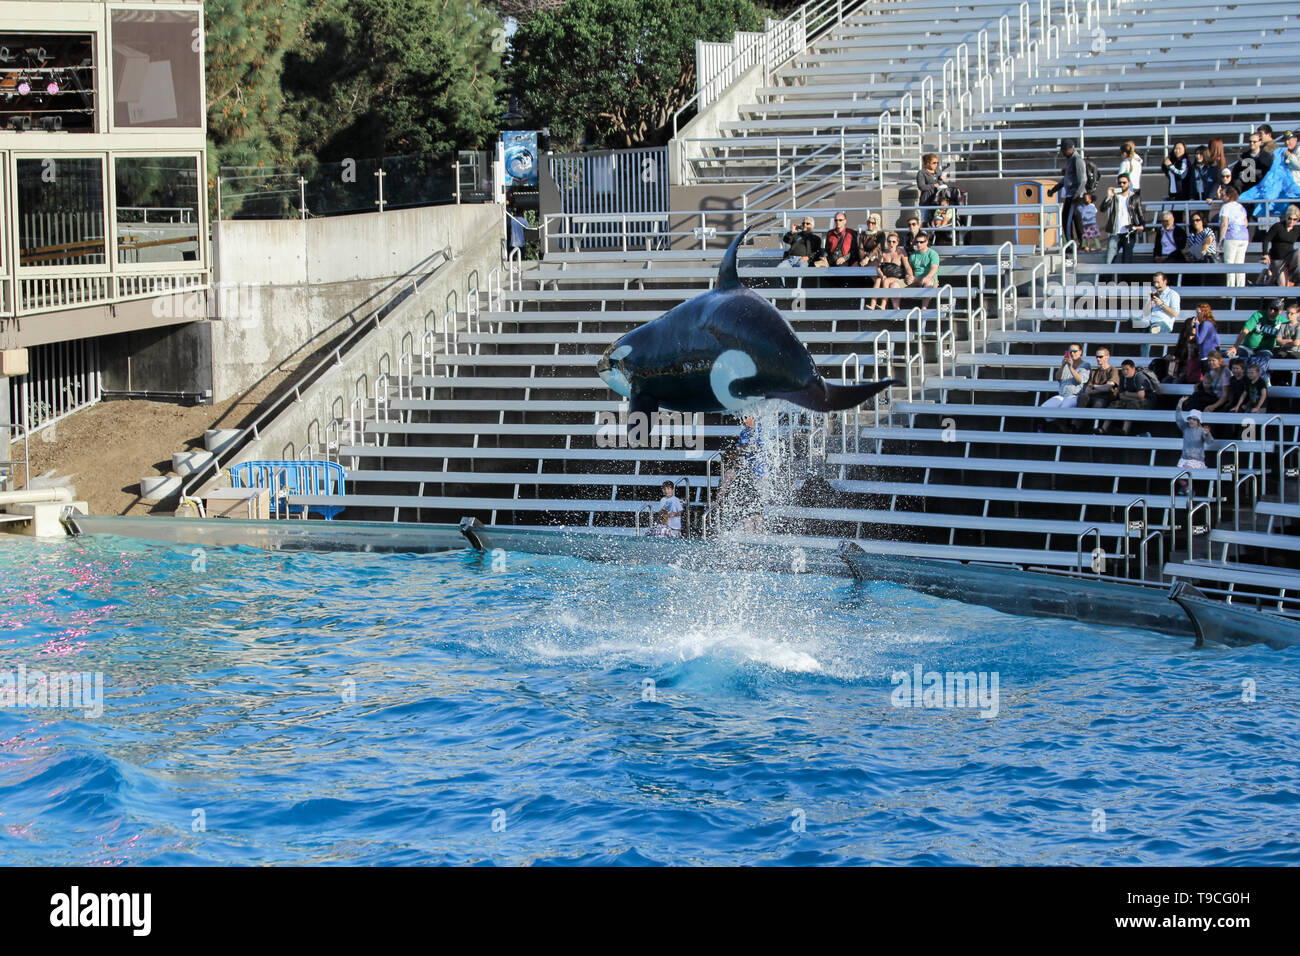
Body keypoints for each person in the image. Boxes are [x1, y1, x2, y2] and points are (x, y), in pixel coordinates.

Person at [1036, 344, 1090, 431]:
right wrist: (1062, 366)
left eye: (1075, 351)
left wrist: (1071, 367)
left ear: (1080, 352)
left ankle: (1064, 429)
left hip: (1074, 395)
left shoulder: (1085, 365)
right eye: (1070, 351)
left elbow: (1079, 380)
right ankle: (1050, 427)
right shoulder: (1066, 364)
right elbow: (1058, 378)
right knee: (1043, 408)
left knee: (1062, 410)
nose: (1072, 354)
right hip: (1062, 395)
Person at [1048, 138, 1087, 247]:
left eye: (1063, 150)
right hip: (1072, 195)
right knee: (1074, 221)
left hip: (1075, 196)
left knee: (1068, 221)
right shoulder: (1071, 160)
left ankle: (1072, 245)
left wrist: (1076, 195)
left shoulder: (1077, 160)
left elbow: (1083, 179)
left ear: (1069, 149)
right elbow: (1066, 179)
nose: (1062, 152)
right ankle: (1081, 244)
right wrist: (1054, 189)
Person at [1100, 174, 1144, 269]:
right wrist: (1109, 196)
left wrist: (1142, 226)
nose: (1122, 185)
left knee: (1127, 262)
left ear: (1129, 183)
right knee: (1108, 262)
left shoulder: (1134, 197)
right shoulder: (1114, 197)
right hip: (1115, 233)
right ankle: (1107, 283)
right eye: (1119, 183)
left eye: (1124, 182)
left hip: (1128, 233)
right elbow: (1102, 209)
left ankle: (1126, 283)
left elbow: (1140, 213)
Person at [1102, 359, 1157, 435]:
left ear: (1133, 369)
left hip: (1147, 401)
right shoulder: (1123, 378)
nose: (1125, 372)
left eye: (1127, 369)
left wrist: (1127, 393)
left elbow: (1141, 395)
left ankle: (1125, 430)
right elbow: (1121, 396)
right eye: (1123, 369)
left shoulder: (1139, 377)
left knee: (1131, 405)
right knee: (1114, 404)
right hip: (1132, 400)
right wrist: (1131, 396)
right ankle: (1103, 429)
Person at [1173, 400, 1219, 478]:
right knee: (1176, 474)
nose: (1191, 421)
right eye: (1190, 419)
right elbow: (1178, 418)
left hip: (1196, 460)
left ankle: (1187, 488)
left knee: (1186, 473)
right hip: (1184, 458)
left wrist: (1207, 434)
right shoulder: (1185, 428)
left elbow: (1210, 442)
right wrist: (1180, 403)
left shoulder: (1201, 430)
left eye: (1194, 419)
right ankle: (1186, 488)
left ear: (1198, 421)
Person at [1078, 347, 1120, 431]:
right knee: (1082, 397)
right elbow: (1087, 390)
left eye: (1100, 357)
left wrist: (1094, 386)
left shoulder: (1113, 370)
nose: (1098, 359)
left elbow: (1108, 387)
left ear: (1107, 356)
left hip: (1104, 398)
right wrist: (1100, 388)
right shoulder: (1094, 372)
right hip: (1093, 397)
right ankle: (1076, 425)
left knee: (1098, 404)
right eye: (1096, 357)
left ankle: (1093, 428)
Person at [1139, 271, 1180, 357]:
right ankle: (1149, 329)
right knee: (1134, 319)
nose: (1156, 285)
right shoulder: (1153, 294)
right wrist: (1150, 302)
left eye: (1158, 282)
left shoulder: (1173, 294)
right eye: (1154, 282)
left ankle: (1153, 329)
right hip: (1150, 321)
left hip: (1163, 323)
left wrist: (1162, 304)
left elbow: (1175, 313)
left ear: (1165, 281)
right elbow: (1145, 313)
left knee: (1152, 329)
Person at [870, 232, 912, 310]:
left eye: (894, 242)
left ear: (897, 242)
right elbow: (878, 268)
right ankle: (872, 304)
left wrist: (910, 275)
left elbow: (907, 266)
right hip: (886, 276)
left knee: (885, 281)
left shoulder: (901, 252)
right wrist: (882, 275)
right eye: (889, 241)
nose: (891, 244)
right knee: (878, 280)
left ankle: (883, 304)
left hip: (897, 277)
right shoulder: (883, 253)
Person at [1260, 205, 1300, 286]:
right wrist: (1265, 254)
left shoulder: (1297, 230)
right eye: (1290, 218)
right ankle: (1273, 280)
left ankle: (1297, 275)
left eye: (1294, 219)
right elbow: (1266, 239)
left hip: (1289, 258)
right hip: (1277, 260)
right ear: (1286, 217)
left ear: (1297, 219)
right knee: (1284, 287)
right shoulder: (1278, 226)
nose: (1292, 221)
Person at [1217, 187, 1249, 287]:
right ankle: (1241, 288)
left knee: (1229, 263)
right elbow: (1246, 223)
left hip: (1231, 236)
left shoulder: (1225, 207)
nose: (1221, 197)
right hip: (1244, 236)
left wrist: (1221, 238)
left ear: (1229, 196)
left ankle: (1230, 289)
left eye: (1223, 195)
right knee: (1240, 264)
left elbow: (1224, 224)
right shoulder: (1240, 207)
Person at [1184, 349, 1230, 414]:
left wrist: (1213, 406)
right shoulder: (1212, 372)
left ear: (1219, 361)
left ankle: (1190, 414)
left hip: (1220, 400)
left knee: (1197, 399)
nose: (1210, 362)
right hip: (1213, 396)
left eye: (1213, 360)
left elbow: (1225, 396)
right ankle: (1190, 414)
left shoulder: (1225, 372)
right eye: (1209, 361)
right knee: (1196, 395)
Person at [1162, 142, 1191, 209]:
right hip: (1172, 194)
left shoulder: (1184, 161)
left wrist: (1170, 166)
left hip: (1182, 195)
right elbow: (1166, 171)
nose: (1177, 151)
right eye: (1175, 148)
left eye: (1179, 149)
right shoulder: (1174, 162)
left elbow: (1181, 174)